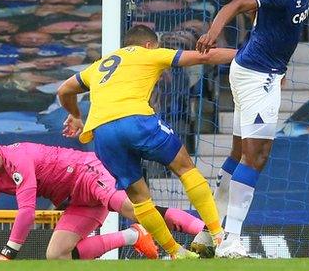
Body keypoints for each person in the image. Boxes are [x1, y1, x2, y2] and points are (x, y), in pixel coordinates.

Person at [194, 0, 309, 258]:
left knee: (238, 153)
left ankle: (207, 232)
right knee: (256, 157)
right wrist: (213, 33)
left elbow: (266, 20)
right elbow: (237, 3)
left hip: (259, 72)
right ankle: (230, 240)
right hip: (258, 77)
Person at [56, 25, 236, 259]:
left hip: (102, 133)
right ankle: (218, 236)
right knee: (184, 167)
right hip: (136, 121)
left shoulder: (99, 65)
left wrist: (77, 116)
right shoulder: (149, 53)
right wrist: (248, 54)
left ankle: (175, 252)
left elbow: (64, 90)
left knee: (139, 197)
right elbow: (205, 56)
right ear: (149, 44)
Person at [0, 131, 207, 261]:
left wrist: (7, 254)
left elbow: (26, 212)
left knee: (126, 206)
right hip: (77, 200)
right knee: (56, 256)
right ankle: (133, 236)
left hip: (88, 173)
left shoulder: (17, 158)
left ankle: (202, 230)